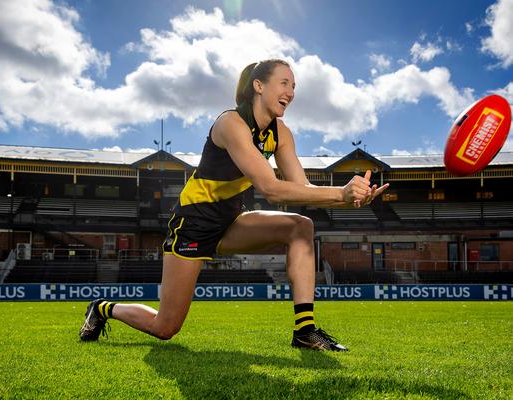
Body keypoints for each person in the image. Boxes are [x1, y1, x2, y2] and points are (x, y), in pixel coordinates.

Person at [80, 59, 388, 351]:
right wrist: (340, 194)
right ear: (258, 86)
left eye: (294, 85)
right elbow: (272, 189)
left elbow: (301, 187)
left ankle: (305, 331)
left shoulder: (281, 135)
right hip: (194, 222)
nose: (291, 93)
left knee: (301, 227)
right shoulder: (231, 123)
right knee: (166, 327)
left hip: (231, 220)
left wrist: (352, 197)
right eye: (283, 83)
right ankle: (103, 308)